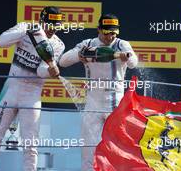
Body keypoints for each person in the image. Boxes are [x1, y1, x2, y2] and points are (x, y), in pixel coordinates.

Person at [0, 6, 65, 171]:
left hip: (32, 95)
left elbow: (40, 71)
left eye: (56, 26)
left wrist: (50, 70)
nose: (52, 29)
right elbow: (1, 41)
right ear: (41, 21)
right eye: (50, 24)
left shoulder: (58, 44)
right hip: (11, 89)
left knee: (30, 143)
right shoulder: (25, 26)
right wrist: (28, 32)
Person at [59, 13, 138, 171]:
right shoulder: (87, 43)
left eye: (113, 33)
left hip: (115, 105)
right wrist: (80, 54)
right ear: (98, 30)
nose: (110, 36)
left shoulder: (122, 44)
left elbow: (133, 63)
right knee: (89, 149)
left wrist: (126, 56)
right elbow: (62, 61)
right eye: (106, 32)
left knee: (116, 148)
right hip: (92, 104)